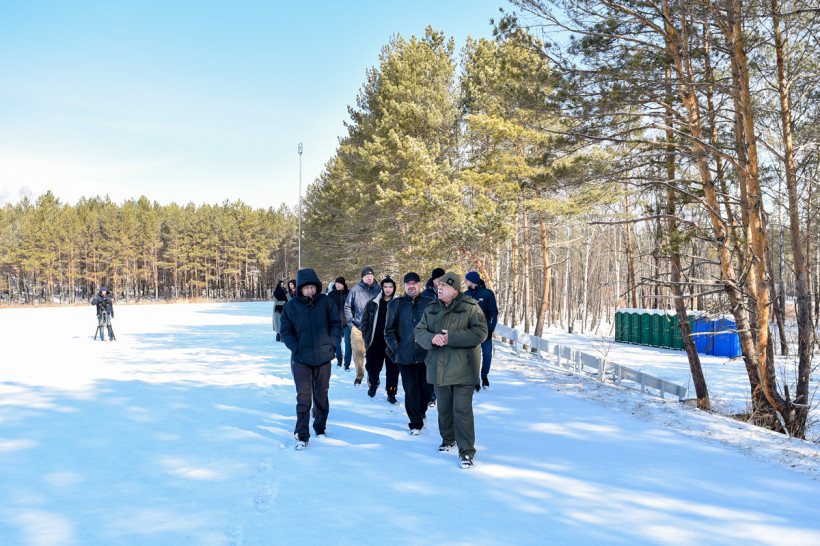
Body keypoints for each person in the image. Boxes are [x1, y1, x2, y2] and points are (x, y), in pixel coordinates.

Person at [415, 272, 487, 469]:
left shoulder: (471, 307)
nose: (439, 288)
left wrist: (452, 337)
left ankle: (466, 452)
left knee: (462, 410)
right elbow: (419, 331)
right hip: (439, 367)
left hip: (464, 368)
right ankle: (448, 439)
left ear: (455, 290)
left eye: (444, 286)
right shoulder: (431, 308)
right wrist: (432, 338)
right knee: (444, 409)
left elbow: (481, 332)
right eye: (438, 286)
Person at [279, 268, 341, 450]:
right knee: (304, 397)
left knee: (321, 394)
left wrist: (331, 344)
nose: (310, 291)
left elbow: (335, 323)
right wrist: (296, 348)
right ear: (300, 289)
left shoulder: (326, 302)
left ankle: (320, 427)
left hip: (323, 358)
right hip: (301, 360)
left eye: (312, 287)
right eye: (306, 288)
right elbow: (285, 331)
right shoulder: (291, 306)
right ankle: (302, 434)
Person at [385, 272, 434, 434]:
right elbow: (388, 331)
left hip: (426, 355)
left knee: (427, 390)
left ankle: (421, 412)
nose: (411, 286)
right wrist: (397, 348)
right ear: (404, 285)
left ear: (420, 284)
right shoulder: (395, 305)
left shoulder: (430, 304)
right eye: (408, 283)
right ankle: (415, 423)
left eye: (414, 283)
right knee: (411, 390)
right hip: (405, 356)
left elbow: (435, 327)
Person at [360, 276, 398, 403]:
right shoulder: (373, 303)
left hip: (392, 343)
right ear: (382, 288)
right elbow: (364, 322)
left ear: (394, 288)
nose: (388, 289)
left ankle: (391, 392)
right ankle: (374, 383)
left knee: (393, 371)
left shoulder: (399, 303)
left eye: (390, 287)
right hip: (375, 341)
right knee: (372, 368)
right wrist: (366, 336)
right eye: (385, 287)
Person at [344, 266, 381, 386]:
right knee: (358, 353)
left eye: (371, 276)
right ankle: (359, 376)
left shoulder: (379, 289)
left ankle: (372, 379)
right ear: (362, 278)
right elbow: (347, 307)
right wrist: (351, 324)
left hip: (374, 329)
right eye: (367, 276)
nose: (369, 278)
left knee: (373, 355)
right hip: (358, 327)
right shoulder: (355, 290)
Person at [464, 271, 499, 390]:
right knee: (472, 356)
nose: (465, 282)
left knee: (487, 354)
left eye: (467, 280)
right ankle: (475, 379)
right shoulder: (465, 295)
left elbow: (493, 313)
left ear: (473, 281)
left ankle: (484, 376)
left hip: (485, 331)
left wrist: (490, 329)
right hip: (470, 331)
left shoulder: (487, 293)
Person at [329, 276, 352, 370]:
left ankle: (347, 363)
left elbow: (353, 306)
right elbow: (328, 308)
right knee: (337, 343)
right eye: (336, 284)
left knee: (348, 344)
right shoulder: (331, 294)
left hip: (347, 322)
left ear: (343, 284)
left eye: (339, 284)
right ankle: (339, 360)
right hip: (336, 323)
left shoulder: (349, 293)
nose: (337, 285)